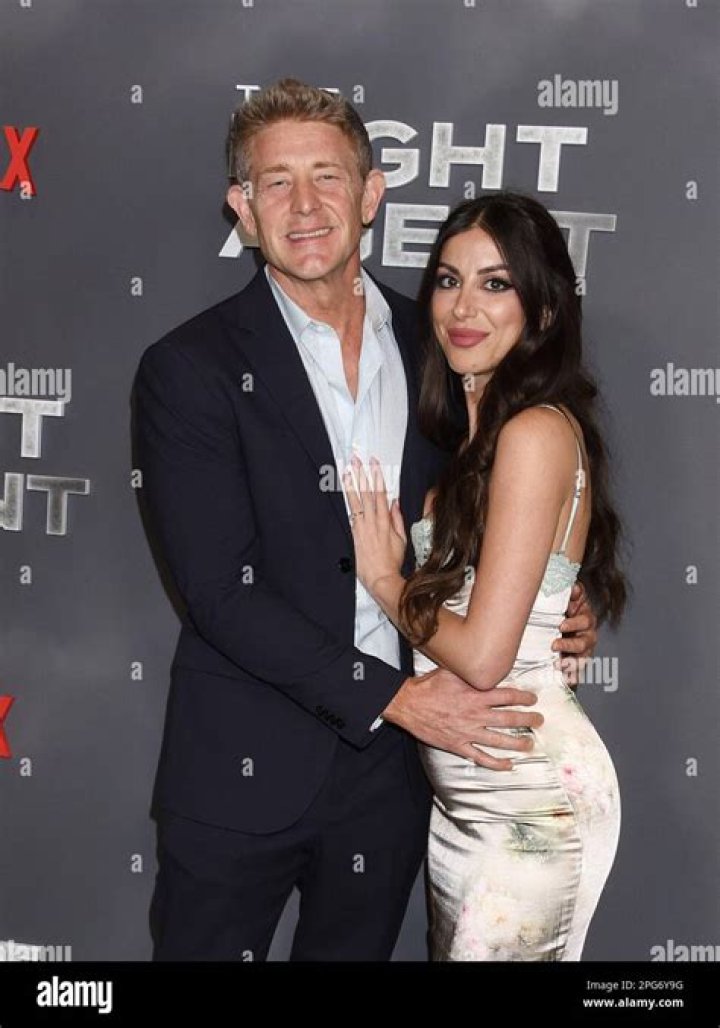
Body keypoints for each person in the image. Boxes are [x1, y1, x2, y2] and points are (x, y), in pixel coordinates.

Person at [133, 80, 599, 962]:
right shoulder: (189, 368)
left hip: (396, 781)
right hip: (243, 768)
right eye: (275, 183)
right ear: (242, 208)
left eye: (328, 177)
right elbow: (219, 594)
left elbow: (509, 508)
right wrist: (394, 697)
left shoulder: (446, 345)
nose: (304, 206)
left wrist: (556, 602)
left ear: (372, 193)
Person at [343, 191, 626, 961]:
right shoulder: (470, 448)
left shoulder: (534, 434)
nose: (463, 307)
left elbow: (485, 654)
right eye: (448, 280)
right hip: (471, 803)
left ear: (543, 310)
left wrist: (386, 580)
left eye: (496, 283)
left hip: (528, 801)